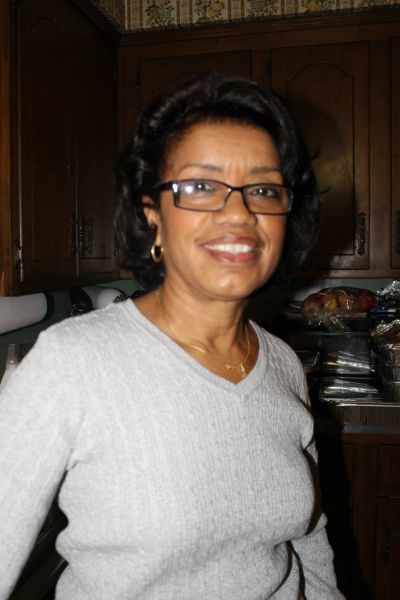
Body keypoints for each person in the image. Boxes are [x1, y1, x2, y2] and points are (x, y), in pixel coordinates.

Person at [0, 72, 344, 599]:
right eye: (201, 186)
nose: (239, 213)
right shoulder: (70, 364)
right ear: (152, 215)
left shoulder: (281, 363)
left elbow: (309, 536)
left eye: (263, 189)